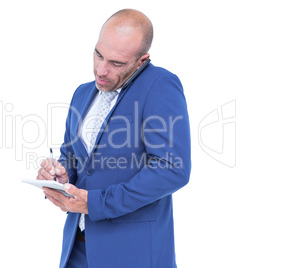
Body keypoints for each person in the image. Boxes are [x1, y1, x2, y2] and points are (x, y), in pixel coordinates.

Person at [37, 8, 191, 268]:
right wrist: (62, 175)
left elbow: (172, 168)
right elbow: (73, 154)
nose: (101, 69)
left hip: (132, 253)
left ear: (142, 61)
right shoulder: (83, 93)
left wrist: (96, 203)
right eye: (98, 54)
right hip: (77, 249)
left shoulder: (160, 85)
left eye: (116, 63)